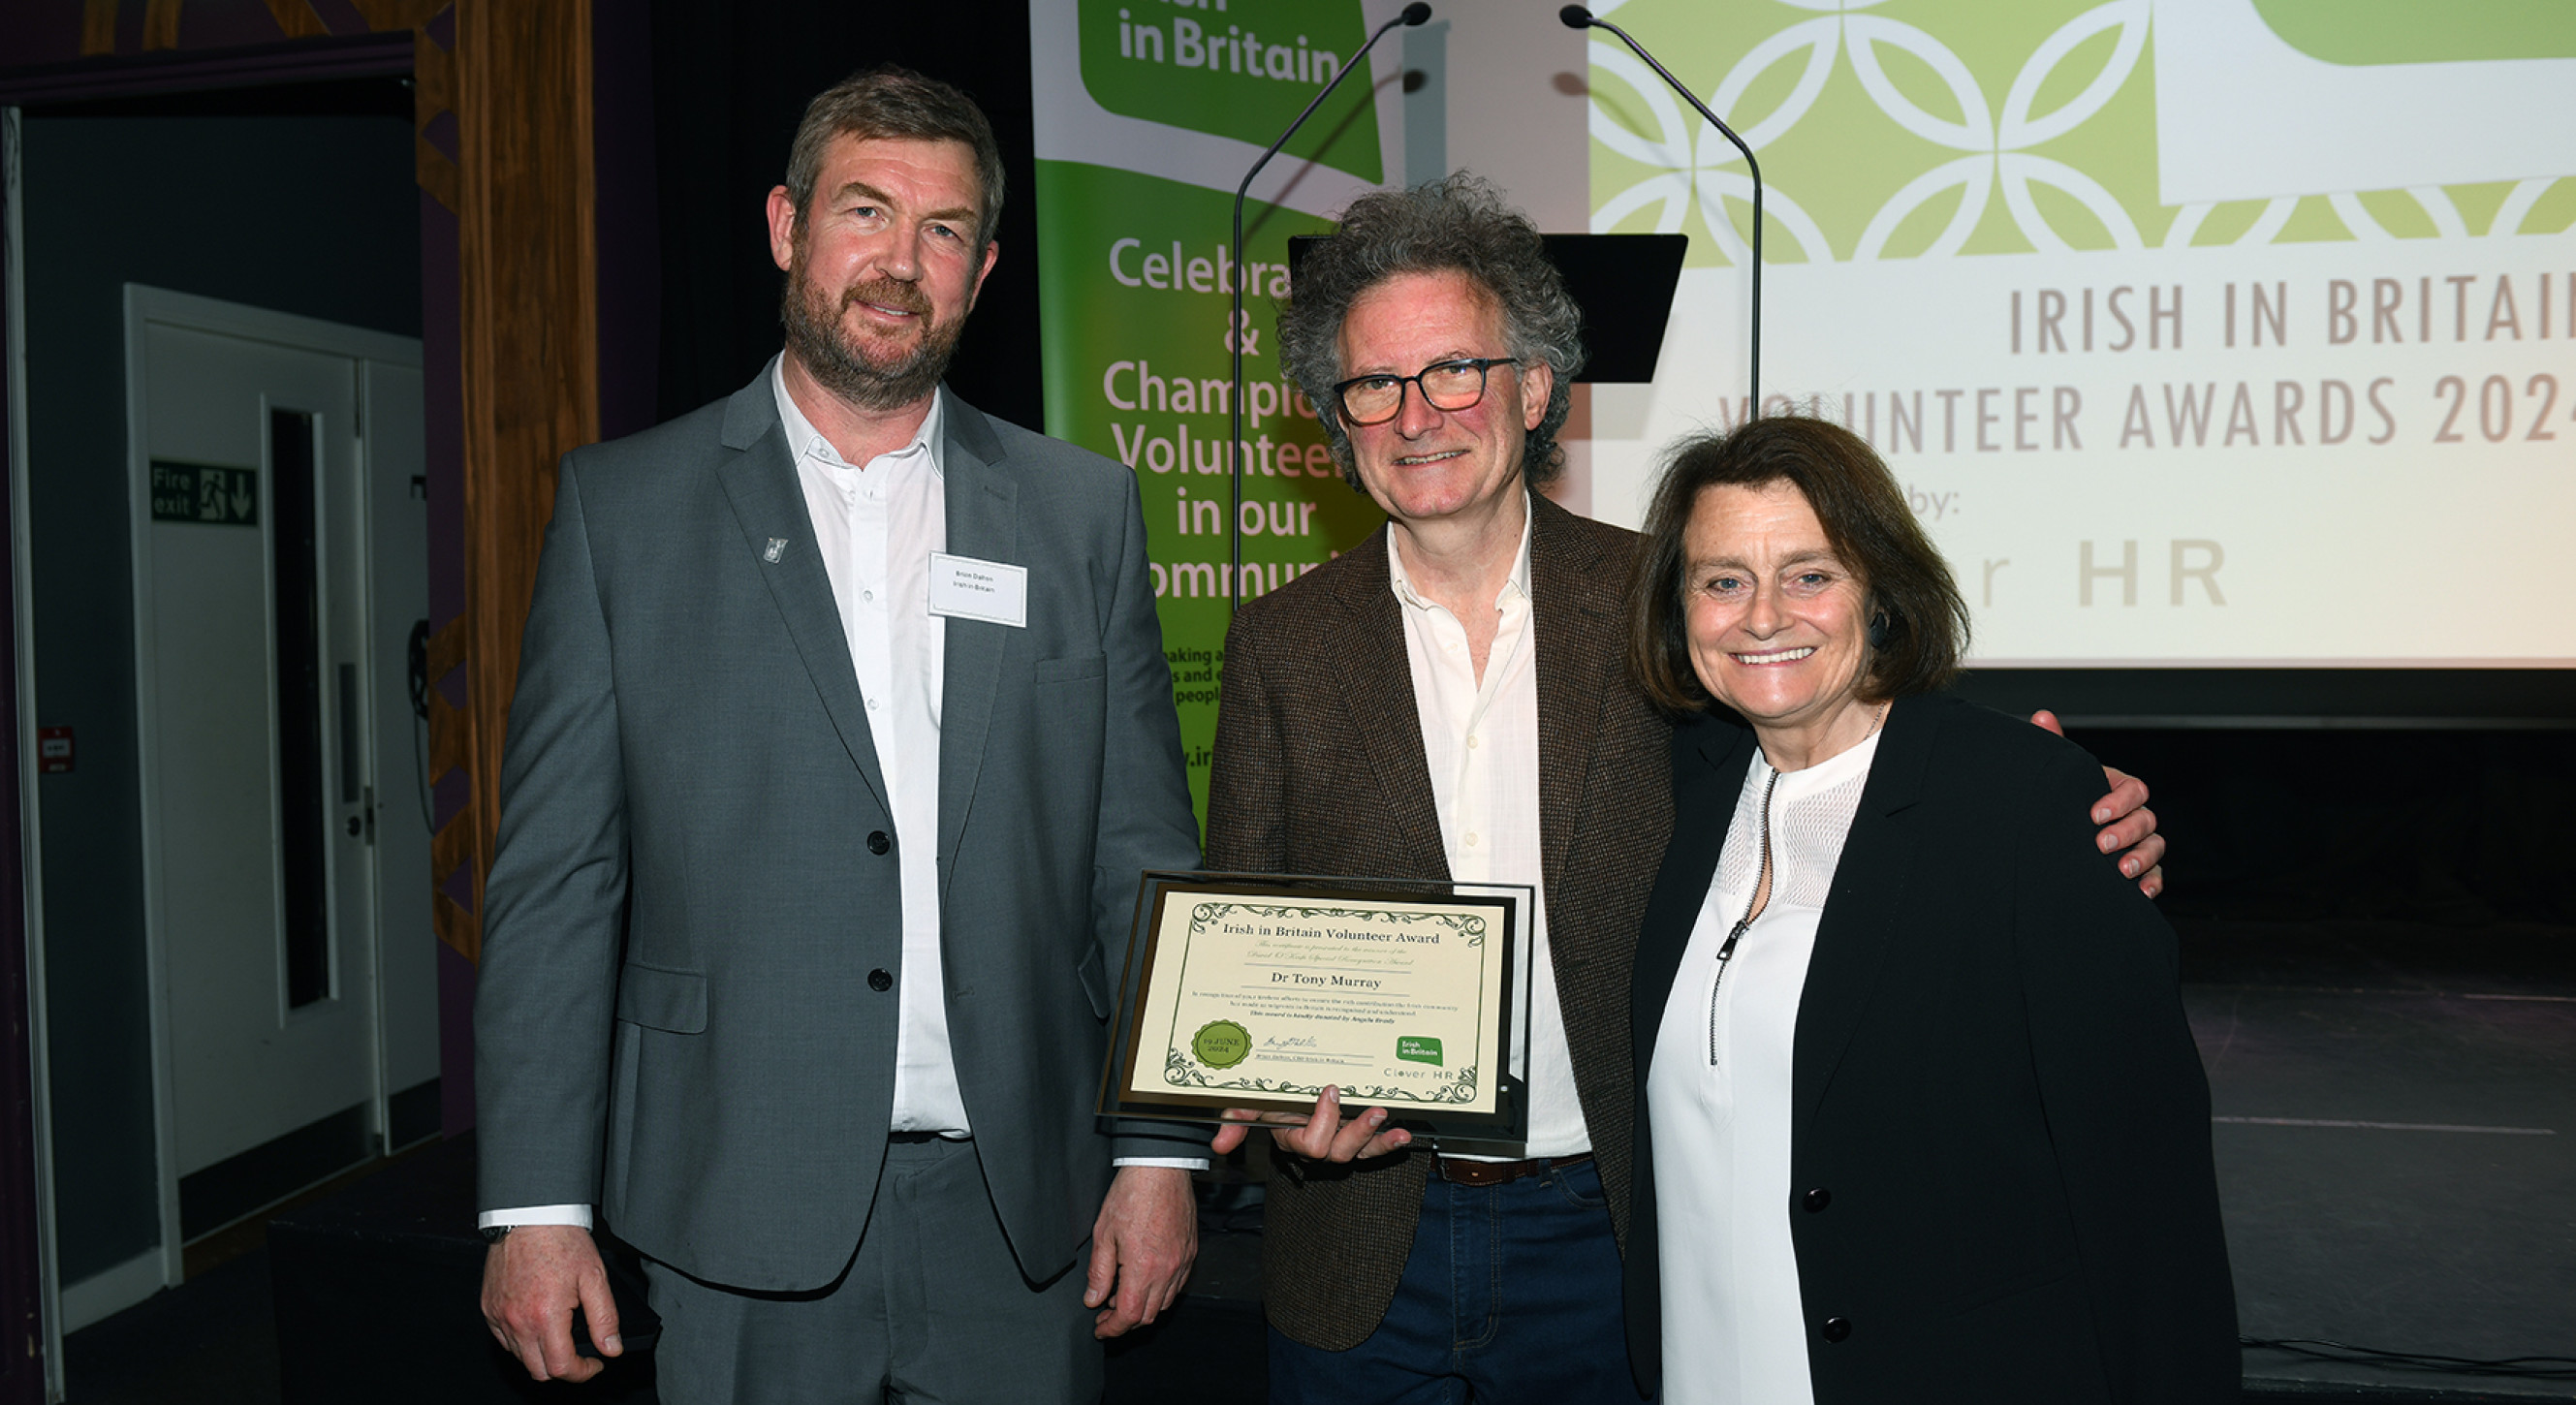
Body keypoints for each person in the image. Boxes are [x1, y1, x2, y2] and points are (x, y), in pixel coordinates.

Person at [1203, 174, 2168, 1404]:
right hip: (1359, 1244)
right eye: (1374, 385)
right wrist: (1275, 1099)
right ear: (1338, 420)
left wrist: (2042, 795)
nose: (1416, 414)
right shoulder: (1281, 640)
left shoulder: (1667, 601)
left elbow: (1840, 723)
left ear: (1534, 389)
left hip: (1615, 1232)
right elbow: (1246, 925)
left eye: (1453, 370)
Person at [471, 66, 1207, 1403]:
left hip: (1021, 1204)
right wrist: (535, 1200)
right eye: (865, 211)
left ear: (984, 269)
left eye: (943, 229)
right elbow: (557, 880)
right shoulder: (621, 512)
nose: (899, 262)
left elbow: (1141, 858)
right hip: (731, 1191)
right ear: (785, 225)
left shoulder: (1081, 512)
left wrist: (1159, 1153)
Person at [1620, 416, 2239, 1404]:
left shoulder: (2024, 803)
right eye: (1723, 580)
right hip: (1701, 1369)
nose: (1763, 616)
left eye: (1810, 575)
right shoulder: (1682, 790)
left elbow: (2144, 1189)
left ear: (1881, 593)